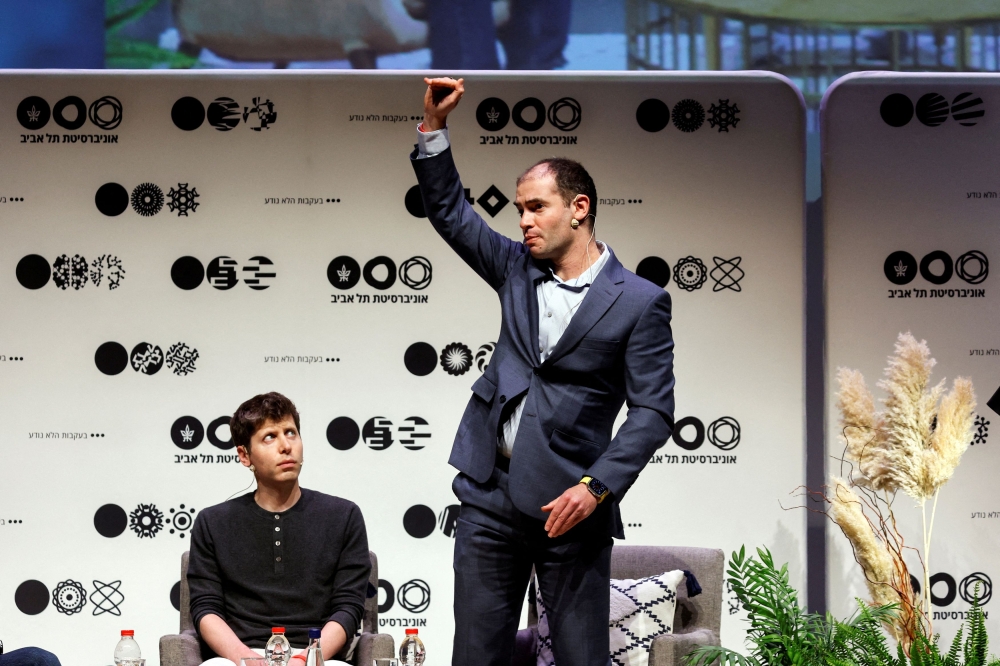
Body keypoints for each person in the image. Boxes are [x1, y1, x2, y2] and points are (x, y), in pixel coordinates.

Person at [411, 77, 676, 666]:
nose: (524, 221)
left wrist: (596, 487)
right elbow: (452, 213)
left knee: (581, 657)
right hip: (489, 494)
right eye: (519, 209)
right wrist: (433, 130)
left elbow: (654, 412)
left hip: (570, 503)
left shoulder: (639, 302)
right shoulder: (514, 268)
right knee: (476, 655)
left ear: (578, 209)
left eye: (537, 207)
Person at [186, 392, 370, 666]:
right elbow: (206, 609)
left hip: (317, 656)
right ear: (244, 455)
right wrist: (246, 658)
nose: (286, 446)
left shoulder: (344, 516)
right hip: (239, 656)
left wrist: (306, 659)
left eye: (291, 433)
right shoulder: (212, 522)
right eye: (269, 437)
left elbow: (348, 607)